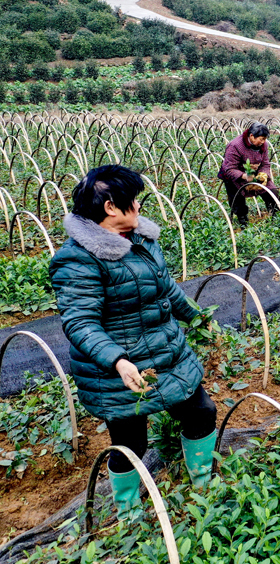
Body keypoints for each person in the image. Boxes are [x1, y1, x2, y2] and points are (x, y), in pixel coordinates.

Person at [49, 165, 217, 522]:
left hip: (167, 351)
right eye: (133, 200)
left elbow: (166, 287)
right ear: (111, 207)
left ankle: (204, 485)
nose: (139, 206)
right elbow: (80, 322)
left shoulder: (141, 239)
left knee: (201, 411)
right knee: (130, 444)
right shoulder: (78, 259)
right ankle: (128, 514)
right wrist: (119, 361)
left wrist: (197, 317)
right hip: (117, 370)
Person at [218, 122, 279, 227]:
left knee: (272, 191)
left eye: (265, 139)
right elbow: (230, 168)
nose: (263, 142)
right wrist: (245, 176)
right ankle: (243, 221)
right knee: (237, 199)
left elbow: (265, 163)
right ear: (251, 136)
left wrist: (263, 174)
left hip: (253, 174)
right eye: (261, 139)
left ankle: (274, 214)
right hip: (234, 175)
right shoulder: (235, 145)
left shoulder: (263, 145)